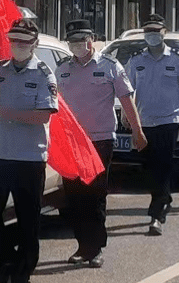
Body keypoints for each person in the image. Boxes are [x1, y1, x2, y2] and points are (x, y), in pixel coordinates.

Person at [0, 18, 59, 283]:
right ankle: (7, 262)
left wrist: (5, 112)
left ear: (34, 44)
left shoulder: (44, 74)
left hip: (29, 159)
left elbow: (43, 115)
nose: (18, 46)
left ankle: (22, 278)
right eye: (14, 41)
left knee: (27, 223)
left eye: (24, 42)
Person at [57, 20, 147, 268]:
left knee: (95, 194)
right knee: (74, 196)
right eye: (72, 41)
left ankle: (95, 247)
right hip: (72, 142)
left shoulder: (110, 67)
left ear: (92, 39)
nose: (77, 45)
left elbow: (126, 100)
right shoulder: (62, 69)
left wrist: (137, 131)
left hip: (100, 140)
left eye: (81, 40)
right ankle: (83, 245)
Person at [124, 14, 179, 236]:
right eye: (147, 31)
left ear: (164, 32)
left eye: (155, 31)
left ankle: (156, 215)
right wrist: (127, 117)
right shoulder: (136, 60)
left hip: (169, 120)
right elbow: (127, 92)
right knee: (149, 169)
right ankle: (164, 197)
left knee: (163, 165)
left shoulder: (177, 59)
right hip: (144, 121)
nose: (151, 35)